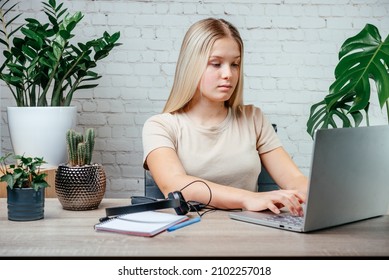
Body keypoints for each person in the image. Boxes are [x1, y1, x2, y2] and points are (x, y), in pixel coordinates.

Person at [142, 18, 308, 216]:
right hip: (186, 234)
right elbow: (175, 184)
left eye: (235, 64)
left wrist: (327, 195)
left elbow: (295, 180)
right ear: (191, 66)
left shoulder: (253, 118)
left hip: (249, 231)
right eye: (216, 64)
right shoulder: (160, 126)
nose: (228, 74)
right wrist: (249, 198)